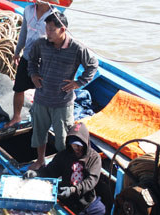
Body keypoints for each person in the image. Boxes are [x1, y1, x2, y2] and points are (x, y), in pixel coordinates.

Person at [27, 11, 98, 170]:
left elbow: (93, 65)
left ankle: (62, 165)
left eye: (52, 29)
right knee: (39, 132)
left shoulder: (77, 48)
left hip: (62, 102)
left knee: (63, 138)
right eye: (46, 28)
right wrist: (34, 75)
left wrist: (78, 83)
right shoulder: (41, 44)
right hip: (41, 99)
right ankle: (40, 160)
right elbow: (31, 59)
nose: (48, 32)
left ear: (63, 29)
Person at [24, 122, 106, 215]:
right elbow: (51, 170)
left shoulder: (94, 158)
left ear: (86, 143)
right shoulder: (63, 155)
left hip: (89, 200)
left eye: (79, 145)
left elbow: (91, 180)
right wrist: (37, 173)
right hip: (70, 202)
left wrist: (73, 190)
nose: (76, 148)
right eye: (73, 145)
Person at [4, 0, 53, 128]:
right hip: (27, 56)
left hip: (44, 60)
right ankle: (16, 117)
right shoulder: (28, 10)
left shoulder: (55, 15)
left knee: (42, 90)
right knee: (19, 88)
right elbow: (24, 32)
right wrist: (17, 50)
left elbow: (58, 40)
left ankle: (41, 118)